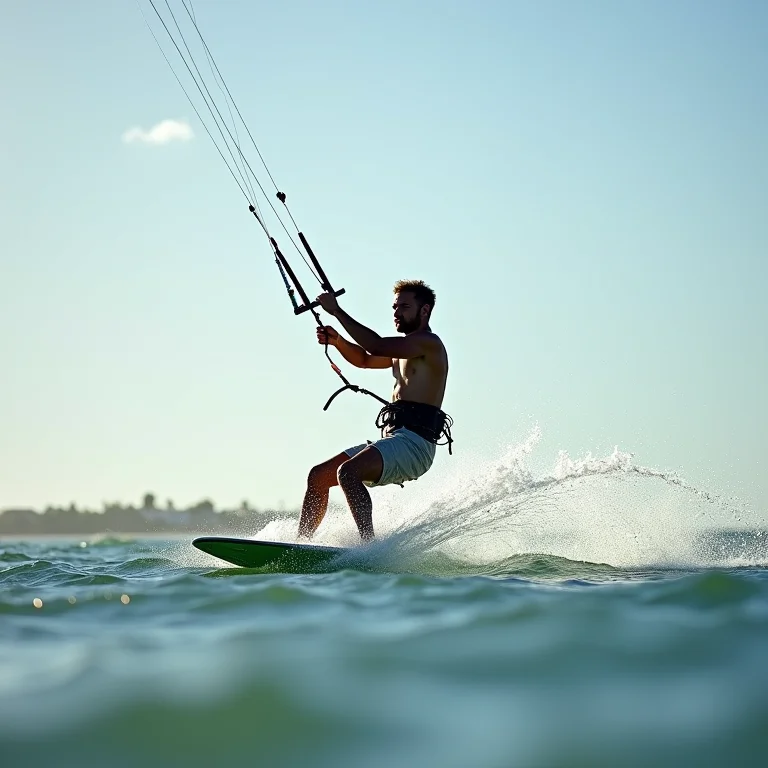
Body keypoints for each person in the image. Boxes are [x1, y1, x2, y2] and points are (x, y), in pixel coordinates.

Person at [297, 279, 452, 543]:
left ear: (425, 310)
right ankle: (299, 546)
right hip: (395, 439)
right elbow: (365, 359)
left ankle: (369, 549)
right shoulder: (404, 349)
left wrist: (336, 311)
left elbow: (376, 345)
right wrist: (338, 341)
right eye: (394, 307)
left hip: (415, 445)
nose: (396, 312)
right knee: (318, 476)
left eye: (404, 307)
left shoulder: (429, 344)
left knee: (348, 473)